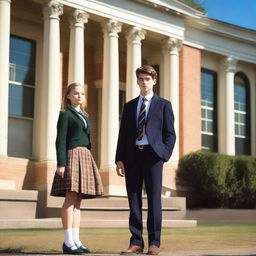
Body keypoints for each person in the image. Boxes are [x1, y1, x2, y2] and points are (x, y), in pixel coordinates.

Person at [115, 65, 176, 255]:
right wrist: (119, 159)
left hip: (153, 157)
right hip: (132, 156)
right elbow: (123, 135)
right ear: (137, 81)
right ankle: (136, 242)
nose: (144, 82)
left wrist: (163, 154)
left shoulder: (163, 104)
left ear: (154, 81)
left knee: (154, 200)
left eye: (147, 79)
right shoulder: (130, 105)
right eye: (141, 79)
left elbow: (170, 134)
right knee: (133, 200)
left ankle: (154, 242)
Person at [51, 82, 103, 255]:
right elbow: (60, 140)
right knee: (70, 198)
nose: (80, 96)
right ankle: (67, 242)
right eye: (76, 93)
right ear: (68, 96)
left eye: (82, 93)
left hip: (85, 156)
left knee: (78, 201)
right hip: (72, 156)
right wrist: (61, 163)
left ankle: (76, 240)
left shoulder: (85, 116)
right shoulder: (65, 114)